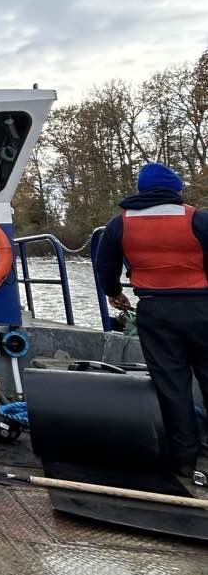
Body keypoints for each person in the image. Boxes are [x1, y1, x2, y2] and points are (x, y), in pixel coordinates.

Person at [95, 162, 208, 489]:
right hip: (202, 308)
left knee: (173, 385)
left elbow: (106, 267)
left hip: (156, 312)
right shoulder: (197, 219)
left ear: (142, 190)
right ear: (175, 189)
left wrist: (115, 294)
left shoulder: (120, 224)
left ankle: (185, 459)